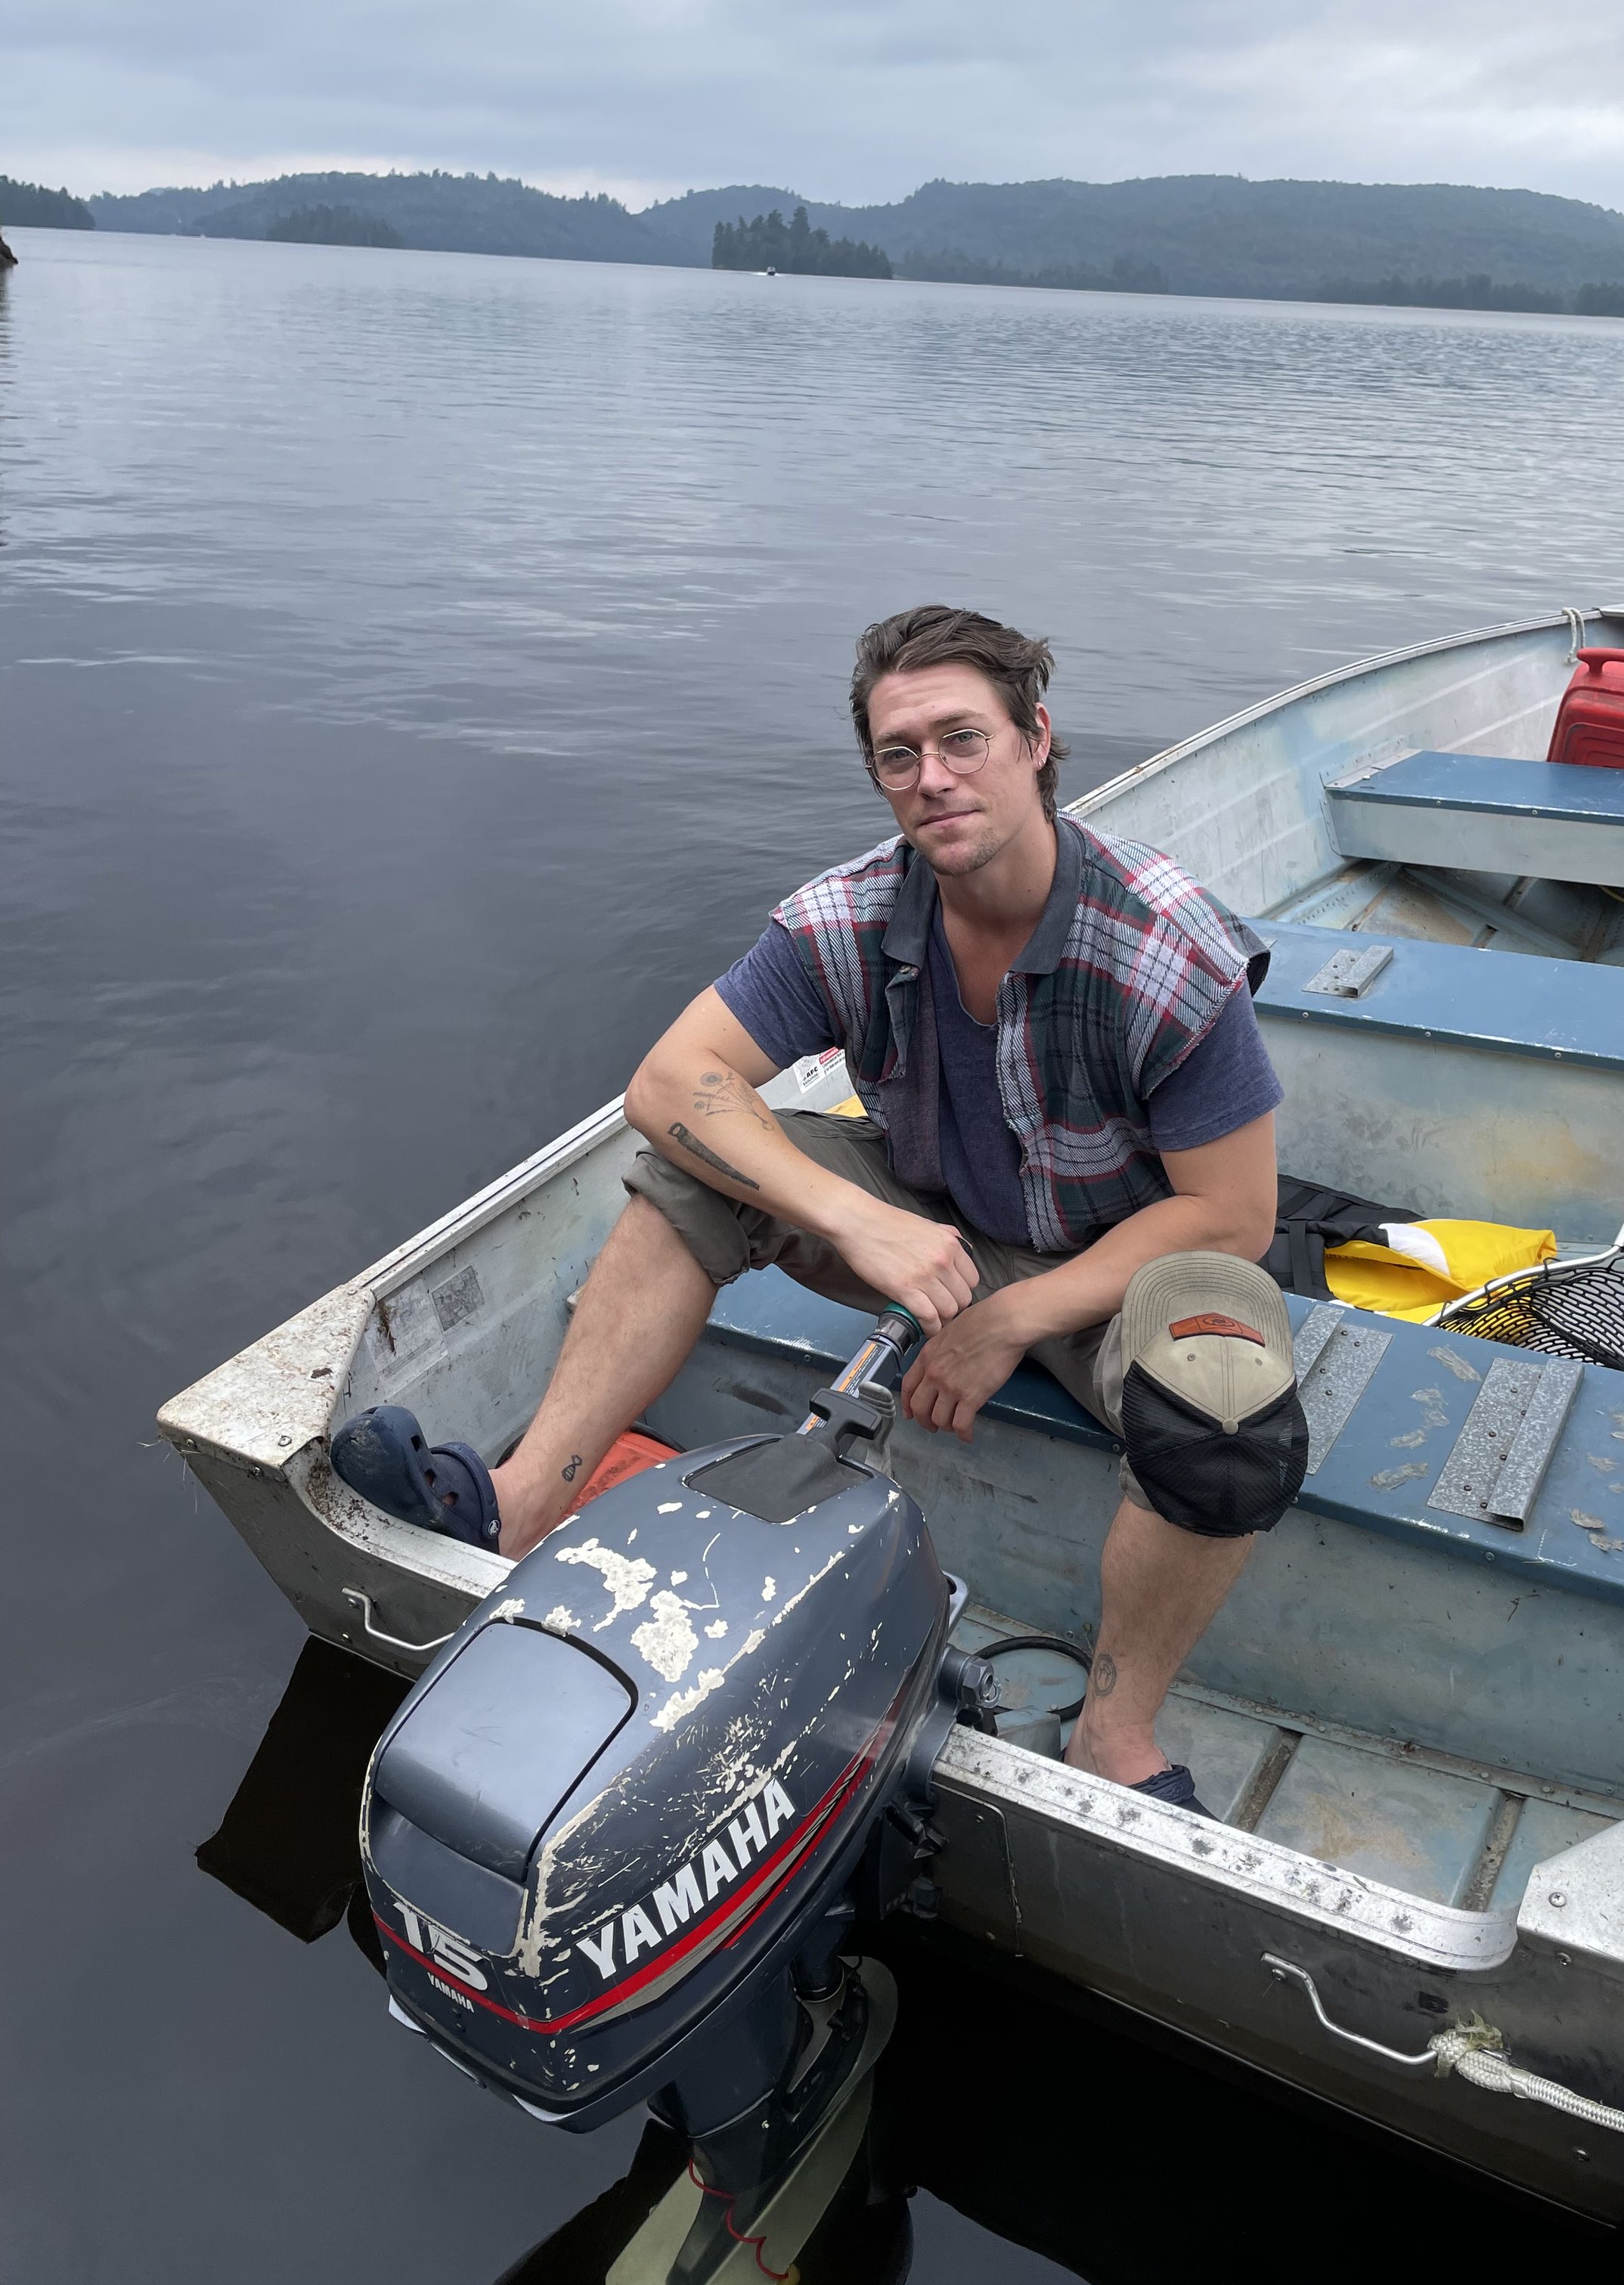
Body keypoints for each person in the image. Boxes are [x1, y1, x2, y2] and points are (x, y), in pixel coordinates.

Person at [332, 606, 1305, 1813]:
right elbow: (669, 1080)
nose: (933, 778)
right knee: (703, 1158)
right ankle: (515, 1504)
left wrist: (1010, 1322)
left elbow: (1232, 1213)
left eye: (963, 739)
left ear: (1038, 738)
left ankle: (1114, 1732)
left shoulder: (1161, 946)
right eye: (900, 754)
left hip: (1119, 1276)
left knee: (1227, 1396)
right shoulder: (847, 918)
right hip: (929, 1234)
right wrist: (855, 1221)